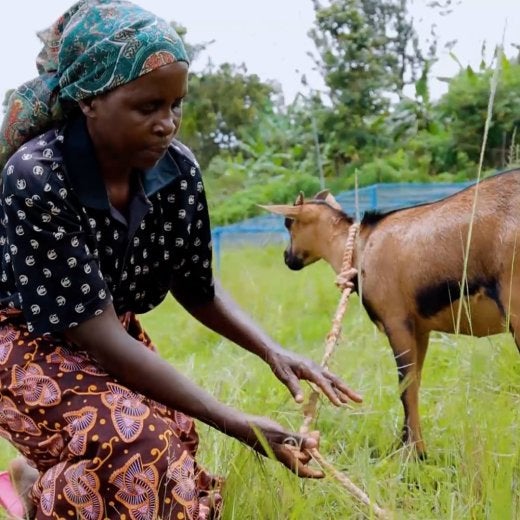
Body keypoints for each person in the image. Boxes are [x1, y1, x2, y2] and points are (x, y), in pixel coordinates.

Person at [0, 1, 362, 518]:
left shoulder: (177, 172)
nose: (166, 124)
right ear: (90, 102)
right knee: (140, 449)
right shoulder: (37, 176)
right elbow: (96, 333)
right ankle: (42, 497)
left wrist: (273, 351)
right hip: (19, 337)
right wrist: (239, 423)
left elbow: (197, 286)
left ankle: (36, 482)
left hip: (106, 327)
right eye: (147, 107)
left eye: (176, 105)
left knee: (176, 440)